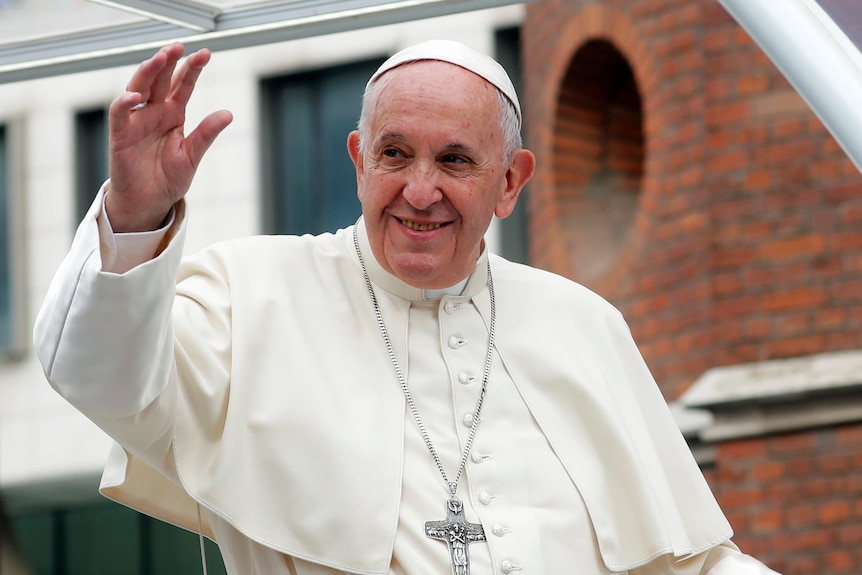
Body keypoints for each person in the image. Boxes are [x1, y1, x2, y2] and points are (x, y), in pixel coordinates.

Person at [34, 40, 781, 575]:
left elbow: (690, 559)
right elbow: (97, 374)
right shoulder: (247, 294)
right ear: (359, 160)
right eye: (395, 155)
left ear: (511, 182)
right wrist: (134, 215)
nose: (420, 190)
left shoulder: (584, 324)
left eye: (455, 160)